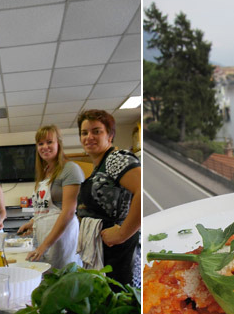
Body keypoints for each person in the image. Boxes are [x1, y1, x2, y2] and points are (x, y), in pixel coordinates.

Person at [76, 109, 141, 286]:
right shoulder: (98, 167)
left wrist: (121, 233)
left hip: (122, 251)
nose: (89, 137)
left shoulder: (116, 159)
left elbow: (142, 192)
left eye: (96, 131)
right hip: (107, 252)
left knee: (124, 304)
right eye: (84, 132)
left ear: (110, 135)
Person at [17, 125, 84, 269]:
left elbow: (68, 211)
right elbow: (46, 209)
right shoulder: (45, 172)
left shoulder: (70, 169)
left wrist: (44, 246)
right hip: (44, 237)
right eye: (40, 143)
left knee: (62, 279)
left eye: (49, 142)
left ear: (58, 143)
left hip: (61, 239)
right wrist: (32, 223)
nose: (44, 147)